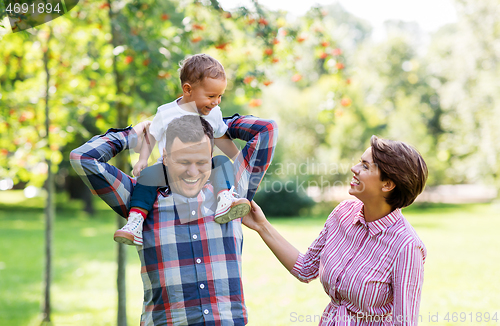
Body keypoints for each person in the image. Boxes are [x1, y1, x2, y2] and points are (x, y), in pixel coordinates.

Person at [70, 114, 277, 325]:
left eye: (202, 162)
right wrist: (132, 136)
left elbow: (266, 129)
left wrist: (214, 119)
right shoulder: (140, 198)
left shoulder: (233, 191)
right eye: (184, 162)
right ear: (166, 157)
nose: (193, 172)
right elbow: (83, 158)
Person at [242, 136, 428, 325]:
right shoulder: (343, 213)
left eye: (365, 166)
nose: (354, 169)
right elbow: (305, 268)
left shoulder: (407, 246)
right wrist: (261, 226)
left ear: (387, 184)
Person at [114, 54, 250, 246]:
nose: (216, 102)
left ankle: (224, 201)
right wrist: (143, 159)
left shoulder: (214, 113)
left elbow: (220, 137)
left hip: (202, 168)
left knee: (220, 163)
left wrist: (238, 157)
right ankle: (135, 221)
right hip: (169, 169)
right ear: (187, 90)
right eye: (211, 96)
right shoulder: (167, 112)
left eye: (220, 96)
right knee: (148, 176)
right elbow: (151, 135)